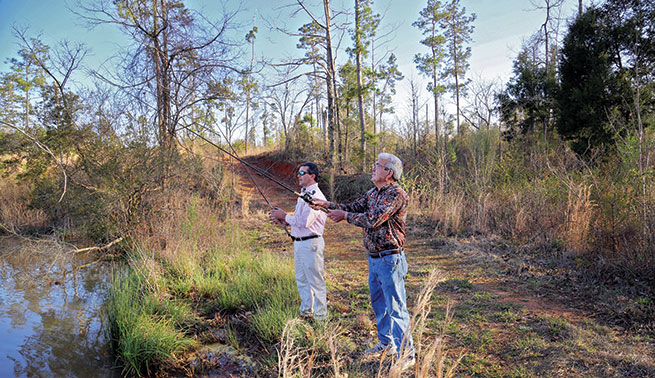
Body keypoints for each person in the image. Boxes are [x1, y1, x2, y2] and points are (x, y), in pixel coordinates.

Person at [312, 153, 414, 366]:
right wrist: (325, 204)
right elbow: (353, 207)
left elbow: (373, 219)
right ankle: (386, 343)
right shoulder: (372, 193)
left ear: (389, 173)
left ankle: (406, 354)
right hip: (374, 258)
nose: (373, 168)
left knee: (396, 307)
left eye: (378, 166)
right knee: (380, 305)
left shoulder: (396, 194)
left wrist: (344, 216)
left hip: (390, 259)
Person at [270, 162, 328, 320]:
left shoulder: (316, 196)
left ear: (312, 176)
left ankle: (321, 317)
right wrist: (285, 221)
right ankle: (306, 312)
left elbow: (305, 222)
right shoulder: (304, 195)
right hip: (300, 243)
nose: (298, 176)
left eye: (302, 173)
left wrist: (284, 216)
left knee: (316, 282)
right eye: (298, 173)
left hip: (311, 244)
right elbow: (299, 220)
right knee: (302, 280)